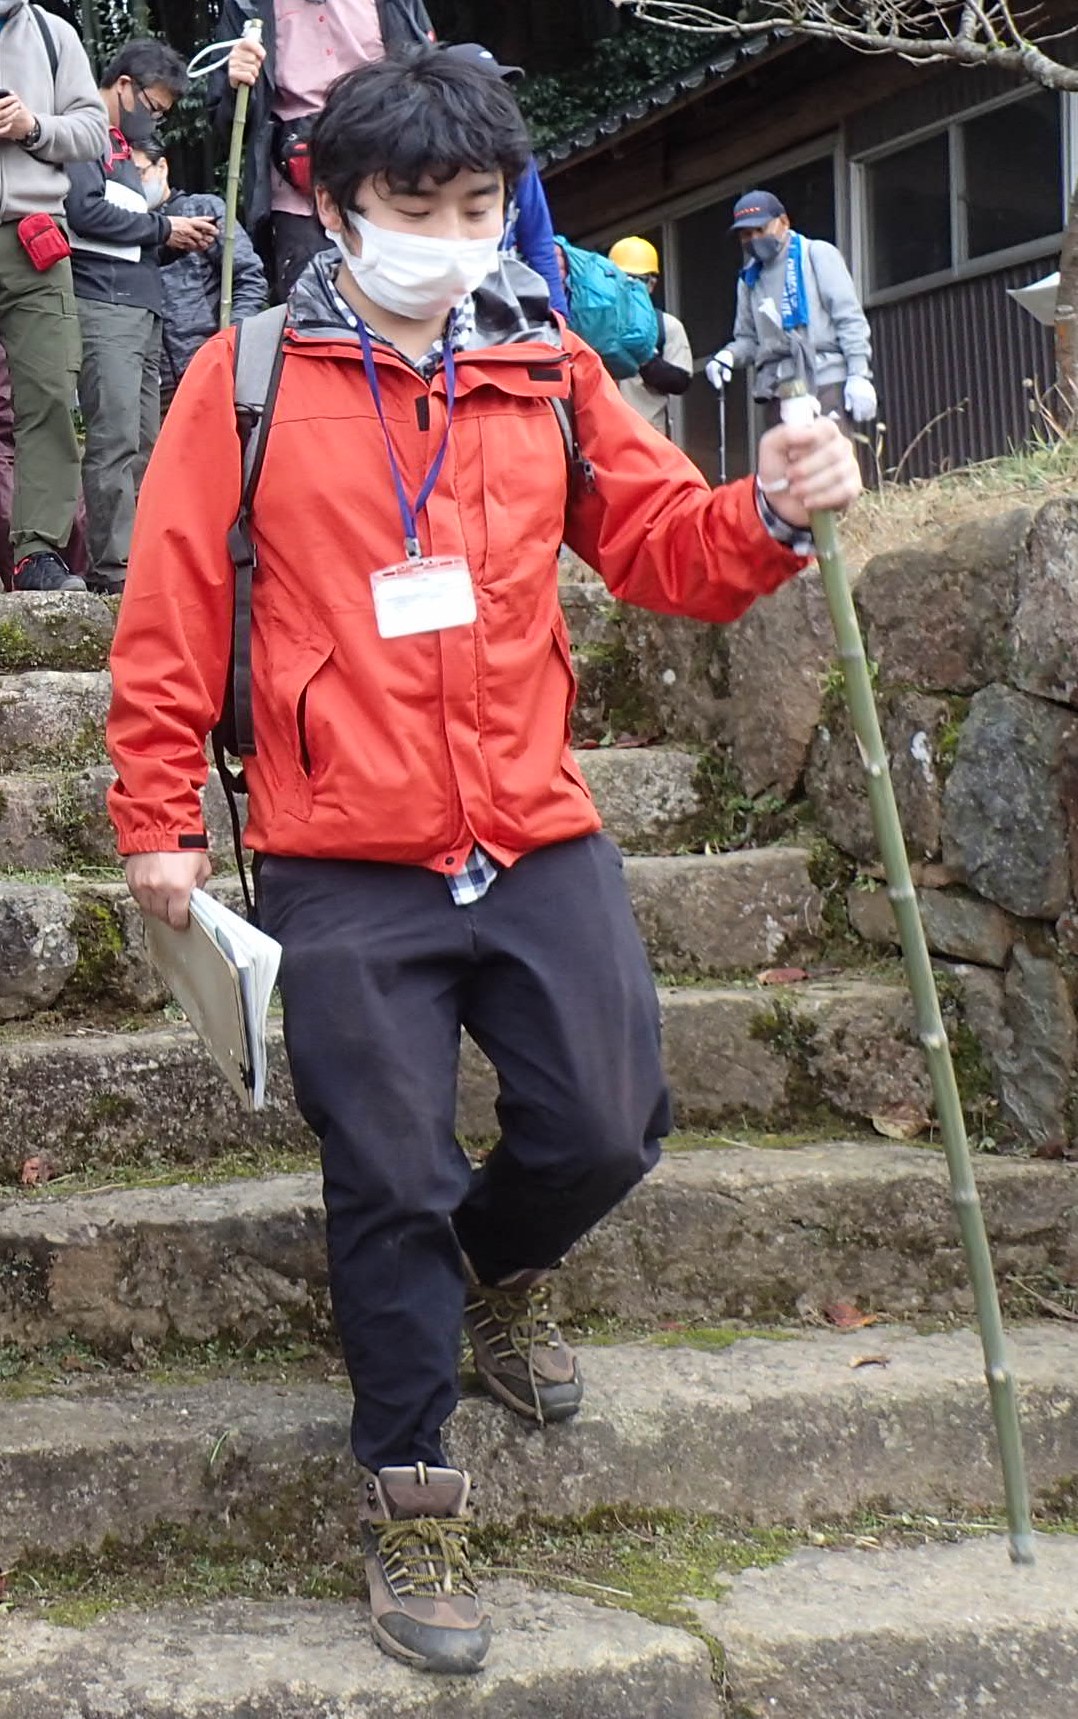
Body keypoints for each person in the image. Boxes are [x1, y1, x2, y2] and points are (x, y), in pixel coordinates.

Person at [108, 48, 860, 1676]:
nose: (444, 240)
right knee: (381, 1172)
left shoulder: (541, 364)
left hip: (527, 818)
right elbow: (172, 615)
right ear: (332, 207)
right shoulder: (240, 383)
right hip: (337, 847)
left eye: (471, 207)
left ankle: (503, 1257)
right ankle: (413, 1487)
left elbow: (665, 543)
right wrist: (156, 819)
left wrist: (777, 515)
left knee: (607, 1121)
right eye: (409, 207)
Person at [66, 40, 218, 595]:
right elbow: (83, 213)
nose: (154, 121)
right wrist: (161, 229)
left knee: (148, 444)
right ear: (124, 86)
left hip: (142, 306)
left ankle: (142, 561)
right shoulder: (82, 135)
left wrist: (178, 240)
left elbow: (127, 235)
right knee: (114, 439)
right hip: (103, 306)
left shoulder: (127, 154)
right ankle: (113, 572)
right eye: (153, 108)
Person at [210, 0, 434, 300]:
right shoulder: (248, 5)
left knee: (404, 302)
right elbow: (224, 119)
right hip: (297, 188)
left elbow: (430, 73)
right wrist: (235, 82)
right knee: (308, 313)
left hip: (391, 172)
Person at [0, 0, 105, 593]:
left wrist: (31, 126)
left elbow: (93, 131)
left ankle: (36, 554)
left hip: (31, 236)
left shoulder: (51, 32)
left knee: (47, 393)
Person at [706, 189, 876, 433]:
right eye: (746, 234)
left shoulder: (815, 254)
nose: (754, 238)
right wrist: (729, 356)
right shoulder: (749, 278)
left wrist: (859, 374)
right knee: (788, 466)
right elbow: (749, 339)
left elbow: (849, 318)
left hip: (825, 376)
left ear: (784, 222)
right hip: (780, 386)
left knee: (829, 461)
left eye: (761, 230)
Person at [136, 141, 267, 409]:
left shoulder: (203, 209)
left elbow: (249, 278)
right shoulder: (123, 226)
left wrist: (230, 338)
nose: (135, 183)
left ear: (162, 167)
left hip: (212, 365)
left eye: (140, 173)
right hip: (154, 380)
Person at [439, 42, 567, 316]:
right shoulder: (423, 161)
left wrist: (558, 319)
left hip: (503, 300)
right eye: (485, 89)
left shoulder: (518, 159)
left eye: (500, 89)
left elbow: (539, 242)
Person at [607, 235, 691, 435]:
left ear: (652, 284)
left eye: (638, 280)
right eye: (622, 278)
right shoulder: (595, 321)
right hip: (601, 434)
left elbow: (679, 381)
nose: (630, 286)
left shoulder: (666, 326)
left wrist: (645, 357)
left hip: (648, 434)